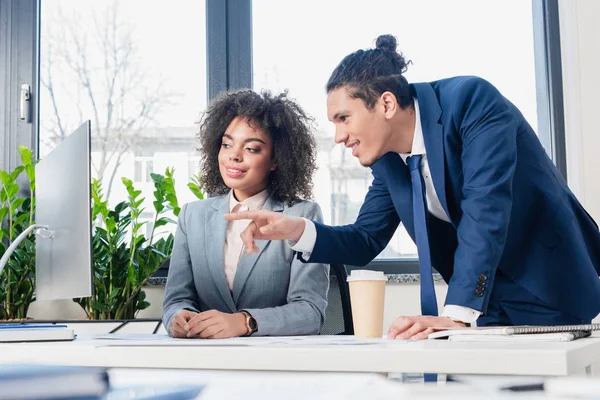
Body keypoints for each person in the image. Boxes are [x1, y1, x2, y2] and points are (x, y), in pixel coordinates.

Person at [226, 34, 600, 340]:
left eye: (344, 118)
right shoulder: (388, 160)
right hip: (488, 305)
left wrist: (455, 315)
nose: (339, 136)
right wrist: (297, 231)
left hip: (550, 286)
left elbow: (486, 209)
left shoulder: (472, 103)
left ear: (386, 103)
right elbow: (365, 238)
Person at [163, 90, 329, 339]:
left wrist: (245, 322)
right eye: (227, 144)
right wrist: (178, 315)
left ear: (275, 160)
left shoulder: (302, 215)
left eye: (251, 148)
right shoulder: (192, 216)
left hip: (274, 362)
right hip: (206, 358)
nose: (234, 155)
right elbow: (176, 299)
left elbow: (310, 312)